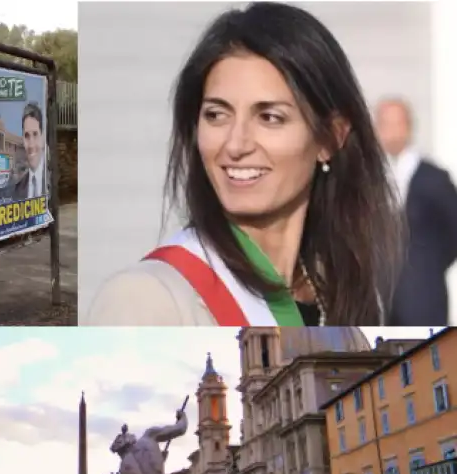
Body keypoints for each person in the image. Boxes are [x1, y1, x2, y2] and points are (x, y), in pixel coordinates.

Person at [85, 2, 403, 327]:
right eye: (216, 115)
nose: (235, 145)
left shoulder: (347, 293)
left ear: (331, 138)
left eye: (269, 117)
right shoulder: (144, 299)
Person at [375, 98, 457, 326]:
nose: (390, 132)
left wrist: (426, 266)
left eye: (396, 124)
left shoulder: (435, 179)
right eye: (384, 124)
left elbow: (452, 233)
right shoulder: (370, 180)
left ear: (409, 127)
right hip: (381, 301)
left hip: (424, 299)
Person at [13, 102, 46, 200]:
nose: (31, 145)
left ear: (42, 137)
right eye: (27, 136)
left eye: (35, 134)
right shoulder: (18, 188)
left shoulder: (53, 179)